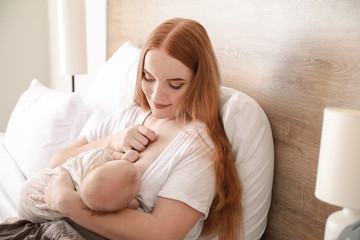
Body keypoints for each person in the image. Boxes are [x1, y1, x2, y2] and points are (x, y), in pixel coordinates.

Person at [30, 17, 243, 240]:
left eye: (175, 84)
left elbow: (161, 233)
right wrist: (110, 141)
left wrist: (69, 204)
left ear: (199, 82)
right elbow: (57, 162)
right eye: (148, 77)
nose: (156, 95)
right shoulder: (131, 115)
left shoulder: (198, 148)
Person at [18, 147, 141, 223]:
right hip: (38, 184)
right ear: (96, 165)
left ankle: (23, 219)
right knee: (45, 205)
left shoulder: (101, 197)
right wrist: (119, 155)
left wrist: (121, 158)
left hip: (40, 197)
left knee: (48, 214)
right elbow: (133, 204)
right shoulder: (96, 158)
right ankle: (23, 218)